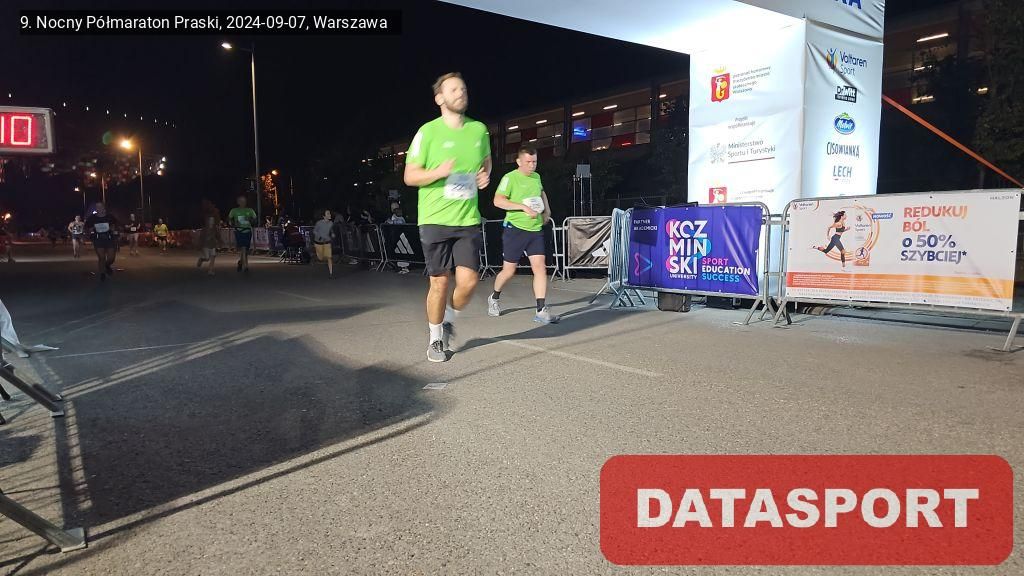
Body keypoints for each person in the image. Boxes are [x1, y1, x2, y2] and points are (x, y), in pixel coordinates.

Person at [403, 72, 492, 363]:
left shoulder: (479, 130)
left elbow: (486, 161)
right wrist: (438, 172)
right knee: (439, 282)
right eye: (453, 89)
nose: (461, 92)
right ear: (439, 98)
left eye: (463, 88)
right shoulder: (427, 132)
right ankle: (435, 338)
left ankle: (449, 318)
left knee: (469, 282)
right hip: (434, 218)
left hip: (467, 218)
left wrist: (485, 175)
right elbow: (410, 176)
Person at [487, 146, 560, 324]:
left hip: (535, 229)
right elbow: (498, 200)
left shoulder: (536, 177)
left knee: (540, 268)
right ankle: (494, 297)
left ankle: (541, 310)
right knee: (509, 270)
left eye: (534, 162)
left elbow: (541, 192)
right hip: (515, 229)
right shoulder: (509, 178)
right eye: (528, 162)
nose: (532, 165)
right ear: (519, 161)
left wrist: (547, 210)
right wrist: (523, 207)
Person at [85, 202, 119, 281]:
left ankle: (106, 265)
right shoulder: (92, 218)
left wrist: (113, 228)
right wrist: (90, 229)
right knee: (101, 257)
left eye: (101, 207)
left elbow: (116, 225)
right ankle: (102, 273)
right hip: (98, 239)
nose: (99, 208)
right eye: (97, 207)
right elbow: (86, 227)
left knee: (111, 258)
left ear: (104, 208)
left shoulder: (110, 217)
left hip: (109, 238)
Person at [228, 195, 257, 273]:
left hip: (248, 231)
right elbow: (229, 220)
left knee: (246, 249)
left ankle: (241, 262)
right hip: (239, 231)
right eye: (241, 201)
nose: (243, 203)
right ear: (238, 202)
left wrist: (250, 219)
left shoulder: (250, 210)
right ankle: (245, 266)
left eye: (244, 201)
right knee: (243, 247)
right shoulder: (234, 210)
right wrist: (234, 223)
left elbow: (255, 220)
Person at [386, 205, 411, 275]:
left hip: (402, 237)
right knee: (398, 252)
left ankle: (405, 267)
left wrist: (392, 222)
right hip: (395, 238)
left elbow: (400, 222)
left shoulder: (401, 218)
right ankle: (400, 267)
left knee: (403, 252)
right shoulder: (393, 217)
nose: (398, 211)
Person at [312, 209, 336, 277]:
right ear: (324, 216)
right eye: (328, 214)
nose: (330, 215)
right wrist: (319, 236)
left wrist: (332, 233)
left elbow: (331, 230)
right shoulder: (319, 223)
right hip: (318, 242)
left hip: (327, 241)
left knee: (329, 257)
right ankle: (316, 257)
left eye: (330, 213)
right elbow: (314, 231)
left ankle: (331, 273)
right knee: (321, 258)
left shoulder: (331, 223)